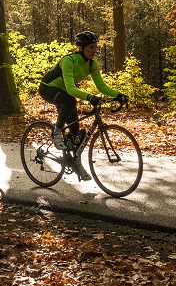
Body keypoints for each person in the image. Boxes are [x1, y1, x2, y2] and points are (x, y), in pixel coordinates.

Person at [39, 31, 126, 180]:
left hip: (65, 93)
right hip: (48, 88)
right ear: (81, 48)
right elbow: (71, 89)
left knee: (75, 134)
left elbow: (101, 86)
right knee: (70, 100)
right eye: (91, 47)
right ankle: (56, 131)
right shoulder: (69, 61)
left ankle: (76, 164)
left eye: (95, 47)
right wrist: (89, 97)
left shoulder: (92, 64)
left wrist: (118, 95)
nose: (94, 50)